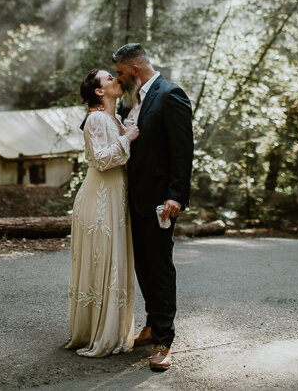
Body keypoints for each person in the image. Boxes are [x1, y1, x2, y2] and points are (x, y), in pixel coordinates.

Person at [112, 43, 193, 372]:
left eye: (119, 72)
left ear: (133, 70)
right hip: (133, 198)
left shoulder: (170, 94)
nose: (117, 79)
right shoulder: (132, 100)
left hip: (161, 200)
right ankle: (150, 324)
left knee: (159, 267)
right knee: (143, 265)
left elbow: (182, 148)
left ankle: (164, 341)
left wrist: (176, 194)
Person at [65, 68, 140, 357]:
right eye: (109, 79)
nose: (116, 80)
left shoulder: (115, 118)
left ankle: (111, 328)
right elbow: (101, 160)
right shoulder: (95, 118)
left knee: (114, 263)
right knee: (102, 263)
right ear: (98, 92)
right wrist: (128, 138)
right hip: (98, 200)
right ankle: (96, 332)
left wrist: (126, 131)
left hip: (115, 197)